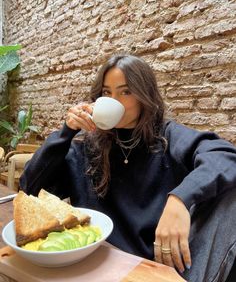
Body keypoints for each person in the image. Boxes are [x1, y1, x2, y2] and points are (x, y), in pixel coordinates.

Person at [20, 54, 236, 282]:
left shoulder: (166, 136)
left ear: (144, 96)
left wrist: (180, 199)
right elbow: (29, 191)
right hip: (100, 259)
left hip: (162, 263)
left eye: (126, 91)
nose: (114, 100)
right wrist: (66, 132)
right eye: (106, 92)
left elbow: (224, 156)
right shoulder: (86, 146)